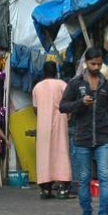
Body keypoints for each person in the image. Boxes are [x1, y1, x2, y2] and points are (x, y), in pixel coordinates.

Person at [60, 47, 108, 215]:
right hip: (82, 138)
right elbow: (63, 106)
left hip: (103, 137)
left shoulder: (106, 85)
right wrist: (80, 103)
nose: (96, 67)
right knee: (84, 178)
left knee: (105, 177)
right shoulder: (75, 84)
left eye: (99, 64)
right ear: (86, 63)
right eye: (93, 64)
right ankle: (86, 214)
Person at [31, 62, 72, 199]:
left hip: (43, 124)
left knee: (44, 155)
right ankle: (64, 187)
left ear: (43, 72)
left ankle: (45, 188)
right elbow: (69, 104)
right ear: (56, 71)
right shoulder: (62, 85)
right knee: (61, 152)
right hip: (60, 122)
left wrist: (44, 115)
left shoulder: (37, 87)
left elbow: (35, 109)